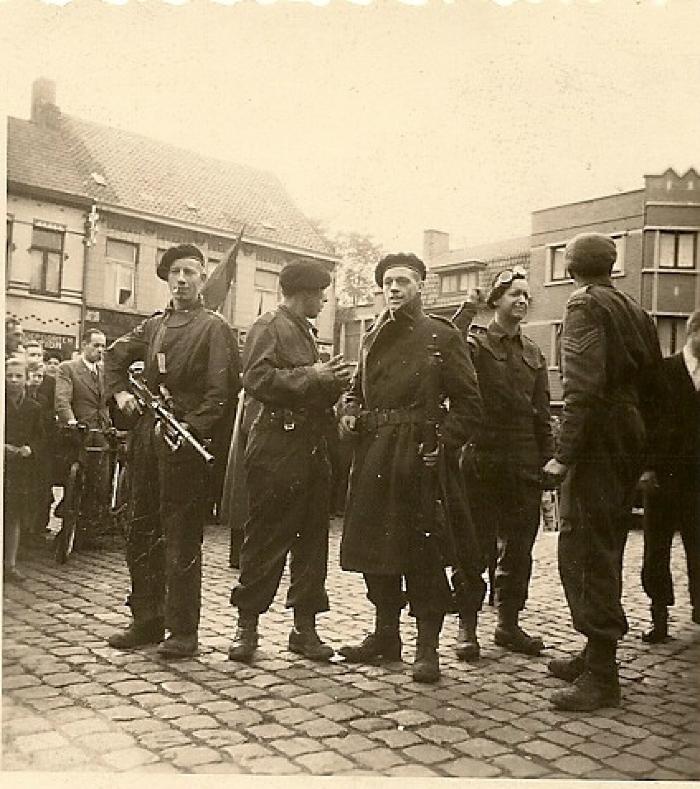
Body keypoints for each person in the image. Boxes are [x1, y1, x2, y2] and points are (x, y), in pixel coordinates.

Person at [338, 253, 485, 683]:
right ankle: (385, 637)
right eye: (387, 282)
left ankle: (427, 647)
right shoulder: (370, 335)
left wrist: (444, 442)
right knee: (373, 551)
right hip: (374, 453)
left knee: (422, 554)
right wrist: (349, 410)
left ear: (421, 286)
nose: (394, 288)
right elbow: (354, 389)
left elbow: (469, 404)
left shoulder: (441, 336)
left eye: (403, 281)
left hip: (419, 456)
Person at [543, 232, 664, 712]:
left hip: (597, 438)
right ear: (612, 265)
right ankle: (595, 653)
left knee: (584, 547)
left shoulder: (583, 306)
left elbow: (583, 389)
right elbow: (654, 388)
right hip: (626, 435)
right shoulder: (633, 309)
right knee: (607, 542)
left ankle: (601, 674)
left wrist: (563, 455)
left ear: (571, 265)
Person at [104, 243, 240, 658]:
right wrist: (121, 392)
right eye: (175, 272)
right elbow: (113, 358)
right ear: (166, 278)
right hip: (147, 438)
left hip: (184, 442)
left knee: (180, 537)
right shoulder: (154, 326)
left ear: (202, 278)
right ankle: (146, 617)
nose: (182, 279)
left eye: (191, 272)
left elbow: (222, 393)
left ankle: (183, 629)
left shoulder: (214, 327)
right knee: (140, 526)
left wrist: (189, 430)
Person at [228, 259, 354, 664]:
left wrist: (332, 383)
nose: (323, 300)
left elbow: (306, 385)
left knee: (312, 542)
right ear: (304, 293)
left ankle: (305, 629)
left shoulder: (304, 331)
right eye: (320, 294)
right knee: (265, 539)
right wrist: (315, 375)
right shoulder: (269, 325)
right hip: (276, 449)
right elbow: (257, 380)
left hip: (311, 448)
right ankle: (246, 626)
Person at [456, 268, 554, 657]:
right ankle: (467, 627)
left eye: (527, 295)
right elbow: (446, 346)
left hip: (524, 462)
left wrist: (549, 460)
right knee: (474, 546)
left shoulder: (534, 352)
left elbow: (542, 413)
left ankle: (508, 624)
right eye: (515, 294)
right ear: (495, 300)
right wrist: (468, 308)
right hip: (482, 457)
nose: (523, 301)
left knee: (519, 548)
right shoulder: (475, 344)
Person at [638, 310, 700, 642]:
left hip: (698, 483)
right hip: (662, 478)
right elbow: (645, 424)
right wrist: (646, 467)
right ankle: (658, 615)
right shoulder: (662, 373)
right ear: (695, 333)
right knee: (656, 550)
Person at [4, 357, 44, 582]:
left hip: (19, 468)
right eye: (9, 376)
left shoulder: (33, 408)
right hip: (3, 464)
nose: (13, 380)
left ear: (27, 379)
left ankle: (9, 564)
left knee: (14, 515)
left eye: (18, 376)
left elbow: (41, 438)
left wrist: (31, 448)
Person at [55, 330, 110, 429]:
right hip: (79, 430)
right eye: (96, 345)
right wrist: (71, 422)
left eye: (103, 346)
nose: (100, 350)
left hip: (103, 431)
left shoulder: (105, 371)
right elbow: (62, 400)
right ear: (84, 345)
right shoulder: (68, 368)